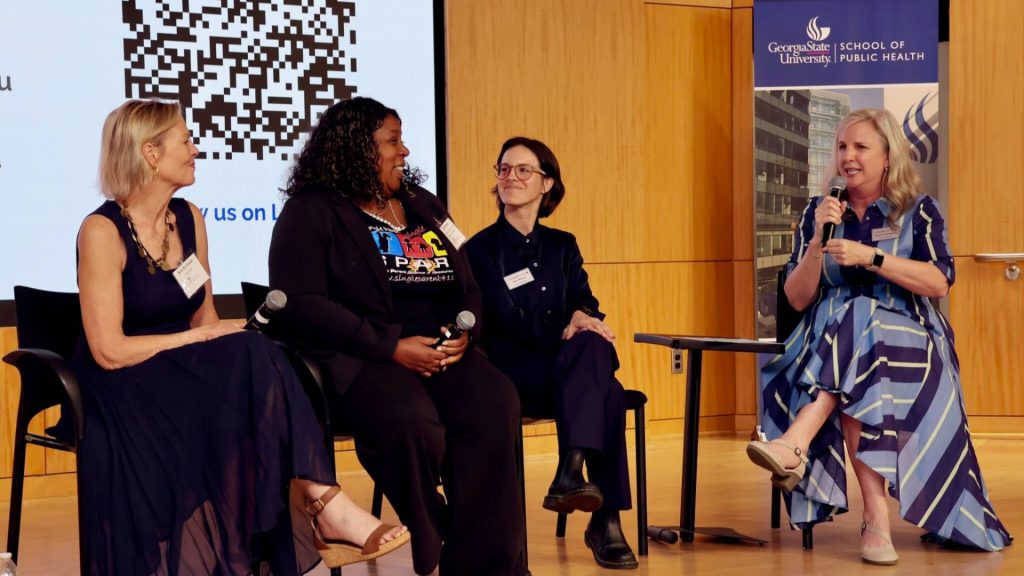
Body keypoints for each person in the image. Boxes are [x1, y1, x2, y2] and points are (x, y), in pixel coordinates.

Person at [72, 99, 409, 575]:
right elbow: (109, 351)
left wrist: (212, 337)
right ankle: (322, 505)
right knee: (246, 360)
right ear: (150, 153)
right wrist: (199, 340)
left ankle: (272, 537)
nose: (196, 149)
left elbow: (204, 318)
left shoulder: (188, 217)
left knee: (255, 353)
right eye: (186, 140)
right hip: (126, 382)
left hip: (181, 373)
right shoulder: (101, 230)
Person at [267, 97, 527, 576]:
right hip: (366, 356)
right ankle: (434, 527)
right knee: (411, 418)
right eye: (392, 141)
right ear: (357, 148)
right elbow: (300, 302)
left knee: (495, 401)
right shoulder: (312, 211)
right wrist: (390, 346)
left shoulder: (423, 204)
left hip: (442, 352)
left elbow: (468, 282)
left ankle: (488, 564)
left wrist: (464, 330)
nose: (404, 151)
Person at [748, 108, 1012, 565]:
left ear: (888, 156)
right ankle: (874, 517)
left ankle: (796, 442)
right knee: (859, 339)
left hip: (911, 343)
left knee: (862, 316)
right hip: (831, 344)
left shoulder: (919, 210)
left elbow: (939, 282)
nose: (848, 157)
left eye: (861, 147)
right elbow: (795, 297)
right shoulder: (819, 211)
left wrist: (872, 258)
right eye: (842, 147)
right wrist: (817, 243)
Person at [465, 137, 638, 570]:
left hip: (569, 370)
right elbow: (503, 320)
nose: (510, 177)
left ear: (547, 184)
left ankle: (573, 471)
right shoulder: (479, 250)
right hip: (514, 373)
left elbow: (585, 300)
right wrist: (570, 327)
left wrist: (581, 316)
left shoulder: (563, 245)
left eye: (523, 170)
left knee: (596, 356)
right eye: (504, 169)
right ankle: (603, 518)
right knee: (604, 385)